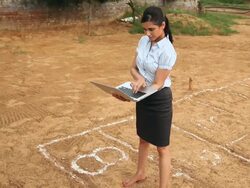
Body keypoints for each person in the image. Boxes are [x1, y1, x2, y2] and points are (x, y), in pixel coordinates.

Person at [114, 6, 177, 188]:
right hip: (144, 96)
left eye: (151, 29)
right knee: (143, 138)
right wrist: (139, 78)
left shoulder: (168, 51)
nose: (147, 33)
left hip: (159, 99)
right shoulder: (143, 41)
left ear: (162, 25)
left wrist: (132, 97)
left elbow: (157, 84)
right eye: (145, 29)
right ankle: (140, 173)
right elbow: (133, 68)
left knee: (162, 147)